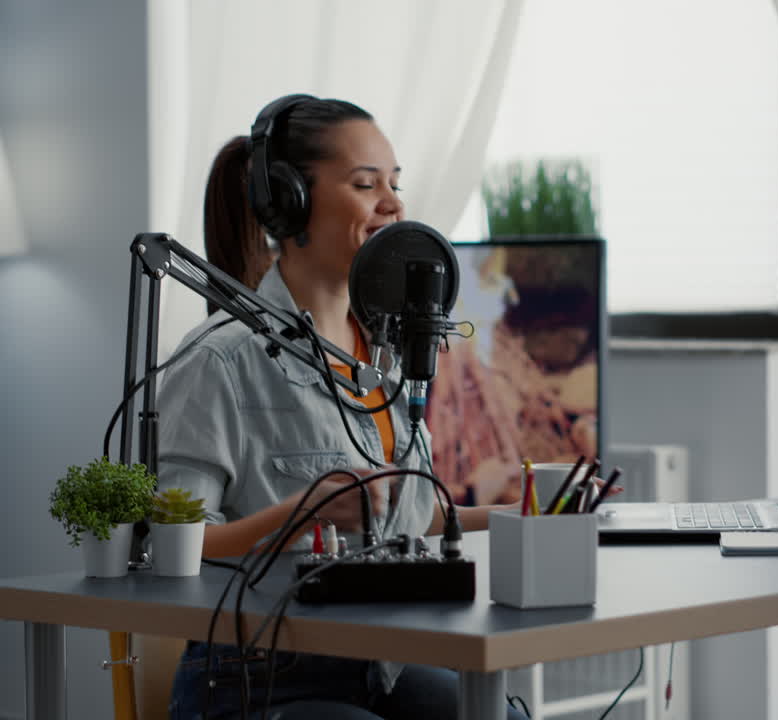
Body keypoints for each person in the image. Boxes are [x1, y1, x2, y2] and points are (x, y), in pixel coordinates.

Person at [157, 95, 529, 720]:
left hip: (377, 666)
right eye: (365, 184)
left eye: (395, 183)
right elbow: (172, 544)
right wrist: (300, 515)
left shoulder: (383, 361)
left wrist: (528, 514)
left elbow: (415, 516)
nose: (393, 203)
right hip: (256, 678)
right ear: (289, 202)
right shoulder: (221, 360)